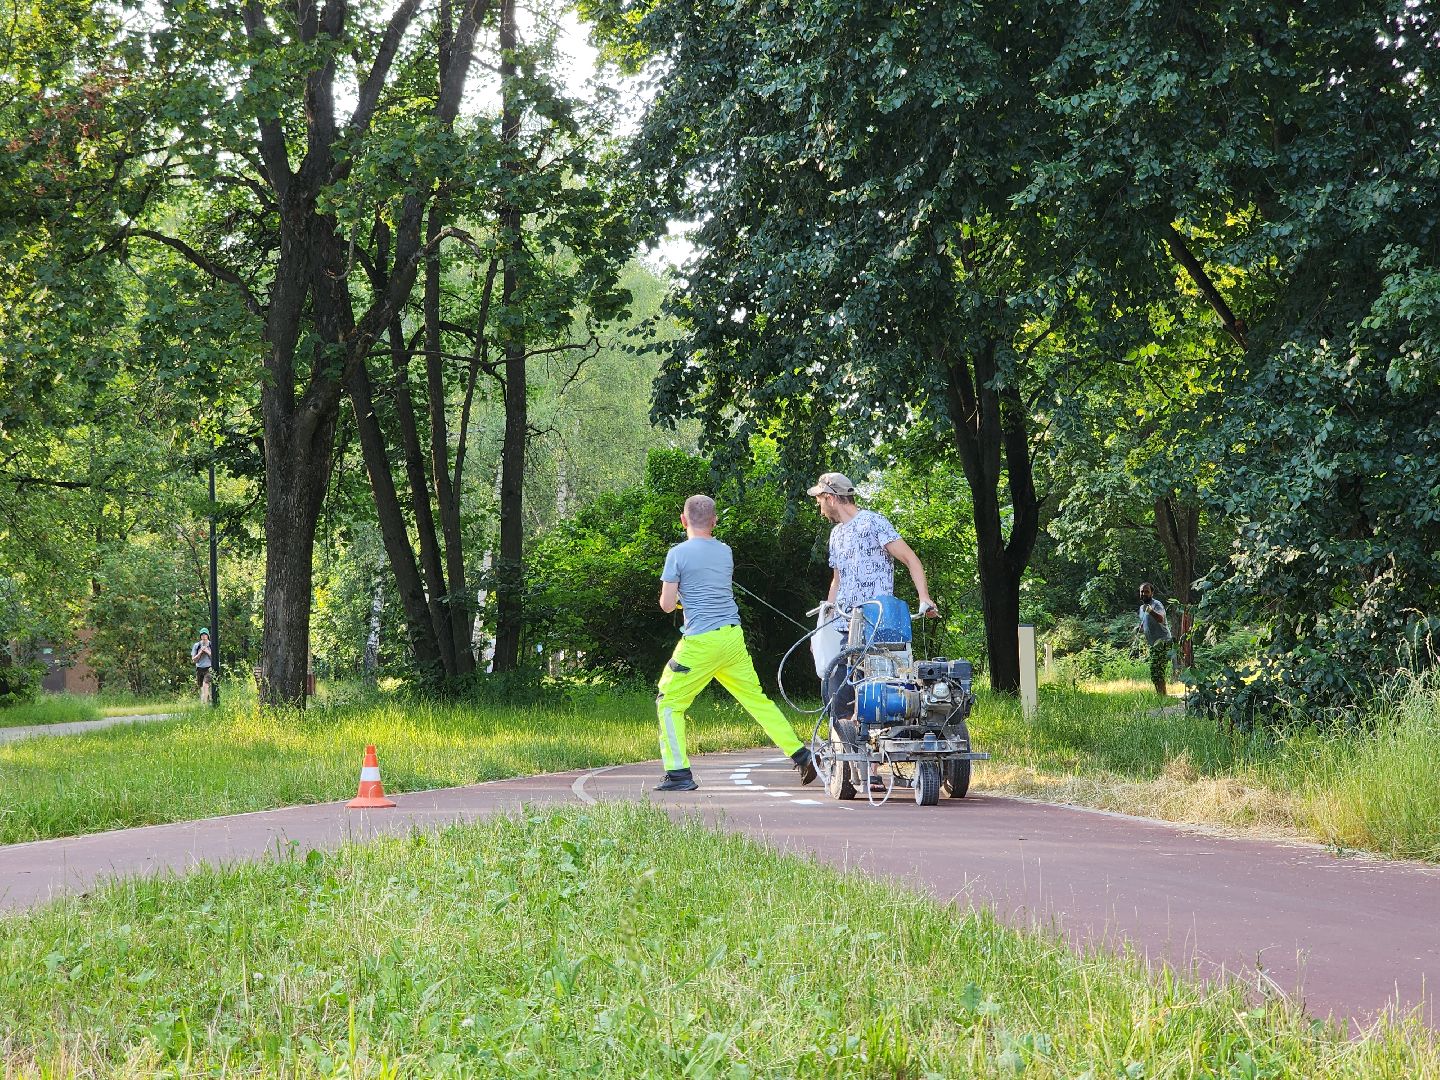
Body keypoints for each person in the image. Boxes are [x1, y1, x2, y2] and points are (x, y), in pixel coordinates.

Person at [655, 494, 817, 792]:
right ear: (714, 522)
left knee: (669, 703)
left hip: (700, 642)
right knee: (756, 699)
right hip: (732, 638)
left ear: (683, 520)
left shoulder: (677, 554)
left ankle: (678, 774)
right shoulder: (725, 551)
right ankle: (801, 754)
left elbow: (667, 605)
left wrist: (679, 597)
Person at [810, 471, 938, 789]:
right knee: (839, 695)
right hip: (845, 625)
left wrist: (924, 597)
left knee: (878, 695)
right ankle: (857, 768)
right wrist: (828, 612)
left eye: (819, 499)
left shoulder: (872, 523)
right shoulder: (836, 535)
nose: (818, 505)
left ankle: (876, 765)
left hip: (879, 624)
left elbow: (910, 558)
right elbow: (837, 579)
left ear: (830, 496)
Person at [1137, 583, 1173, 696]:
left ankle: (1162, 696)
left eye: (1147, 591)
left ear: (1152, 593)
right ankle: (1161, 696)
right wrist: (1139, 629)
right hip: (1153, 644)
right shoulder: (1141, 608)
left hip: (1163, 641)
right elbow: (1145, 624)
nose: (1144, 594)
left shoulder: (1156, 604)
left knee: (1156, 669)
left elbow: (1161, 619)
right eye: (1142, 591)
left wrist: (1151, 611)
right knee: (1156, 671)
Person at [191, 628, 213, 699]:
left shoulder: (211, 645)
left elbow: (215, 658)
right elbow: (193, 660)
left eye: (205, 634)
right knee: (202, 688)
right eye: (202, 635)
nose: (203, 636)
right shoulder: (196, 645)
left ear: (208, 635)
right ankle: (209, 701)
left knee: (205, 685)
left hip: (209, 668)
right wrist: (200, 653)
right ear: (200, 636)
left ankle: (204, 705)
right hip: (199, 669)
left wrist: (207, 651)